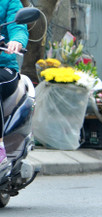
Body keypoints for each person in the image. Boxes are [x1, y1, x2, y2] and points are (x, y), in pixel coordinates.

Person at [0, 0, 28, 177]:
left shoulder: (9, 1)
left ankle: (0, 149)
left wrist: (16, 41)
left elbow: (18, 27)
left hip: (4, 67)